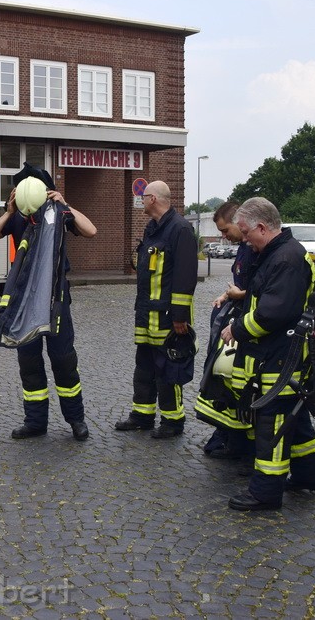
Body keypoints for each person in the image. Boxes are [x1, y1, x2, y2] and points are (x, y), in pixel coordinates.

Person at [219, 197, 315, 511]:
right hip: (282, 354)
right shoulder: (278, 254)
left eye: (245, 232)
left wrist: (236, 329)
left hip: (281, 357)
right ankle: (310, 476)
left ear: (262, 228)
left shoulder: (286, 258)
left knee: (273, 424)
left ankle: (265, 491)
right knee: (297, 421)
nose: (244, 240)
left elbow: (272, 313)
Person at [0, 166, 97, 441]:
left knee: (64, 360)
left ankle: (76, 420)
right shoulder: (18, 217)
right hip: (24, 301)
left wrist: (65, 203)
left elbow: (91, 230)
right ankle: (35, 422)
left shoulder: (57, 214)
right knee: (29, 363)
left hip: (56, 298)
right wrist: (8, 211)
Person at [114, 181, 198, 438]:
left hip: (169, 318)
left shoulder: (180, 229)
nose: (140, 201)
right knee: (145, 367)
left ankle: (173, 422)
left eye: (143, 197)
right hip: (147, 314)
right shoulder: (153, 228)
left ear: (153, 199)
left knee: (168, 369)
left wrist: (180, 316)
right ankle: (142, 416)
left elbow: (185, 276)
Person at [196, 200, 256, 457]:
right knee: (225, 379)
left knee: (237, 383)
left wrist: (239, 295)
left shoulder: (255, 249)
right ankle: (228, 437)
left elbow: (258, 290)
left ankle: (239, 444)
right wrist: (226, 294)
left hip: (248, 327)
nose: (223, 236)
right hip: (237, 320)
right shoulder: (244, 248)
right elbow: (243, 284)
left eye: (225, 230)